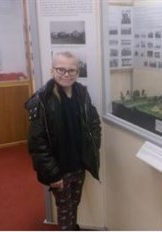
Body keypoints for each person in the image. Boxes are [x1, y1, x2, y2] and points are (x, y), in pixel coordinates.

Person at [24, 51, 101, 231]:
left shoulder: (82, 93)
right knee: (65, 209)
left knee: (74, 203)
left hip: (79, 165)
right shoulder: (41, 100)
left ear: (78, 73)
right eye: (61, 69)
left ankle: (72, 227)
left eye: (71, 70)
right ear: (52, 70)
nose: (66, 74)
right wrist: (52, 175)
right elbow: (37, 144)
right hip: (60, 170)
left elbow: (94, 121)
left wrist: (93, 145)